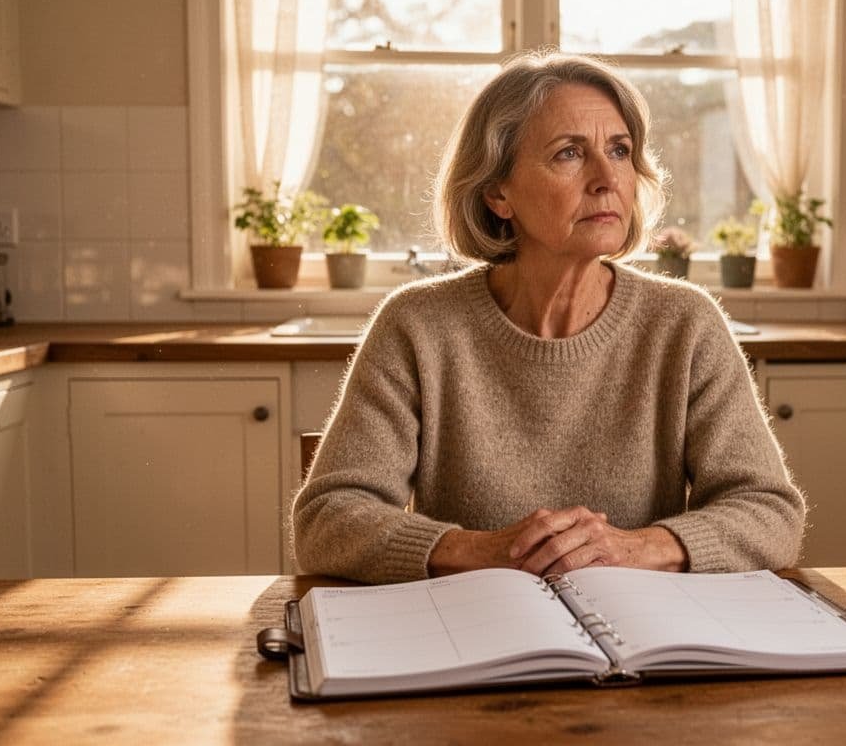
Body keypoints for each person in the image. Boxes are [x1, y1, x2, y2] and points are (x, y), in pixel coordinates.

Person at [292, 51, 805, 584]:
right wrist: (483, 550)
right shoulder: (416, 326)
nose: (607, 178)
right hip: (474, 639)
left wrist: (635, 548)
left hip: (645, 646)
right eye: (569, 154)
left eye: (620, 150)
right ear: (498, 193)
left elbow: (771, 514)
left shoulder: (687, 324)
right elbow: (326, 519)